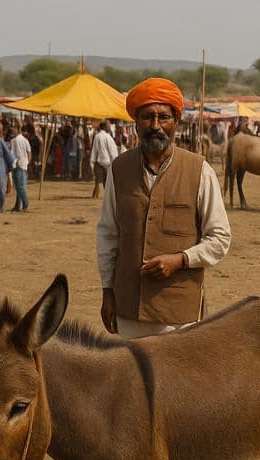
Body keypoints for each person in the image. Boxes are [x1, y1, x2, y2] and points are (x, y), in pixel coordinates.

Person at [96, 77, 231, 339]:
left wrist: (181, 260)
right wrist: (107, 292)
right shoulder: (119, 169)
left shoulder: (199, 171)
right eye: (147, 117)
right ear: (136, 123)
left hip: (180, 316)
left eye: (164, 117)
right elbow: (108, 235)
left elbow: (220, 238)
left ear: (176, 123)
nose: (156, 126)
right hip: (129, 312)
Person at [89, 120, 119, 199]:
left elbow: (94, 150)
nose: (110, 127)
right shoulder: (108, 137)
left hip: (98, 162)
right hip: (107, 162)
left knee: (98, 182)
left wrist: (92, 162)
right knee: (108, 183)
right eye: (109, 126)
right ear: (105, 127)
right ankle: (109, 197)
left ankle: (95, 197)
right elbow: (112, 152)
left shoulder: (97, 136)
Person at [8, 123, 31, 212]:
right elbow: (29, 152)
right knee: (20, 186)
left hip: (18, 165)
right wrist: (27, 162)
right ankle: (18, 205)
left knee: (19, 187)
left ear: (18, 129)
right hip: (24, 165)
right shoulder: (25, 140)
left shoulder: (14, 141)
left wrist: (15, 163)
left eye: (13, 128)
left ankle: (25, 203)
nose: (12, 130)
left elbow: (13, 154)